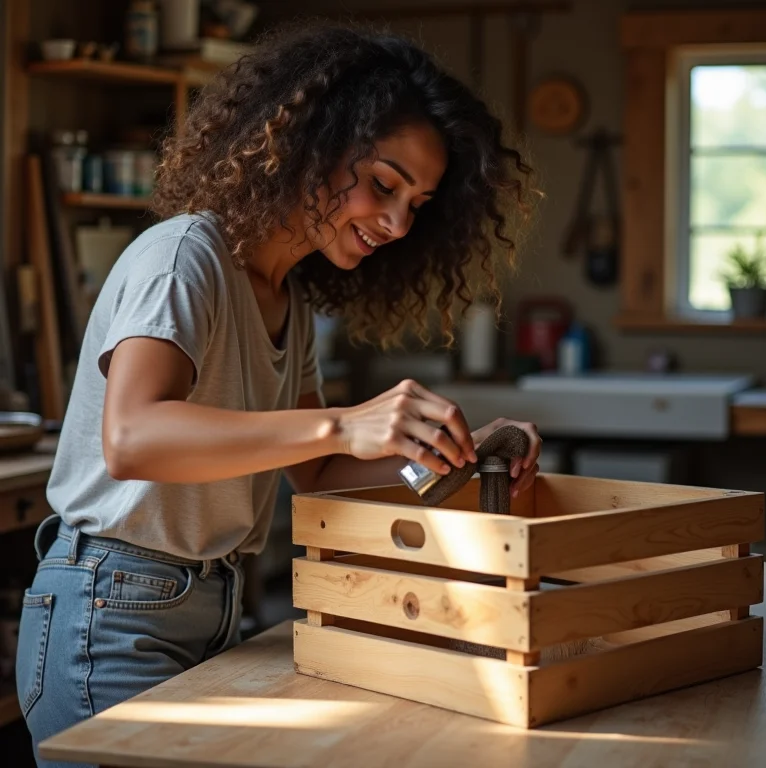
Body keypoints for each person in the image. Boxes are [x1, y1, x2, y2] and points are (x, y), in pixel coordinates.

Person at [16, 23, 542, 767]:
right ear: (309, 145)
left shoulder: (287, 300)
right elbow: (132, 438)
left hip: (213, 605)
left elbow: (318, 474)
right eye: (383, 184)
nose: (395, 223)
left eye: (417, 204)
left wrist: (450, 453)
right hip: (111, 610)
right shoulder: (184, 257)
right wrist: (340, 424)